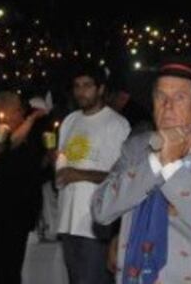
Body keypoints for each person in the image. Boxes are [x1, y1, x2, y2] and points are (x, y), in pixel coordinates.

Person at [91, 57, 191, 284]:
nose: (167, 106)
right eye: (160, 97)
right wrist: (154, 163)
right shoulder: (136, 150)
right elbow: (100, 209)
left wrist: (171, 166)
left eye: (179, 97)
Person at [56, 67, 131, 284]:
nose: (81, 92)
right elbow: (63, 165)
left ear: (100, 89)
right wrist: (58, 165)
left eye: (87, 86)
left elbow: (122, 177)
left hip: (95, 223)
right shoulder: (69, 121)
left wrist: (78, 173)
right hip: (68, 220)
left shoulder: (117, 124)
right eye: (77, 86)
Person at [0, 91, 48, 284]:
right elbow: (9, 145)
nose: (22, 112)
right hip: (4, 208)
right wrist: (32, 118)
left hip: (22, 207)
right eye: (18, 109)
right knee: (3, 263)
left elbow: (34, 167)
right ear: (5, 112)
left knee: (14, 262)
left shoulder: (28, 135)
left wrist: (49, 158)